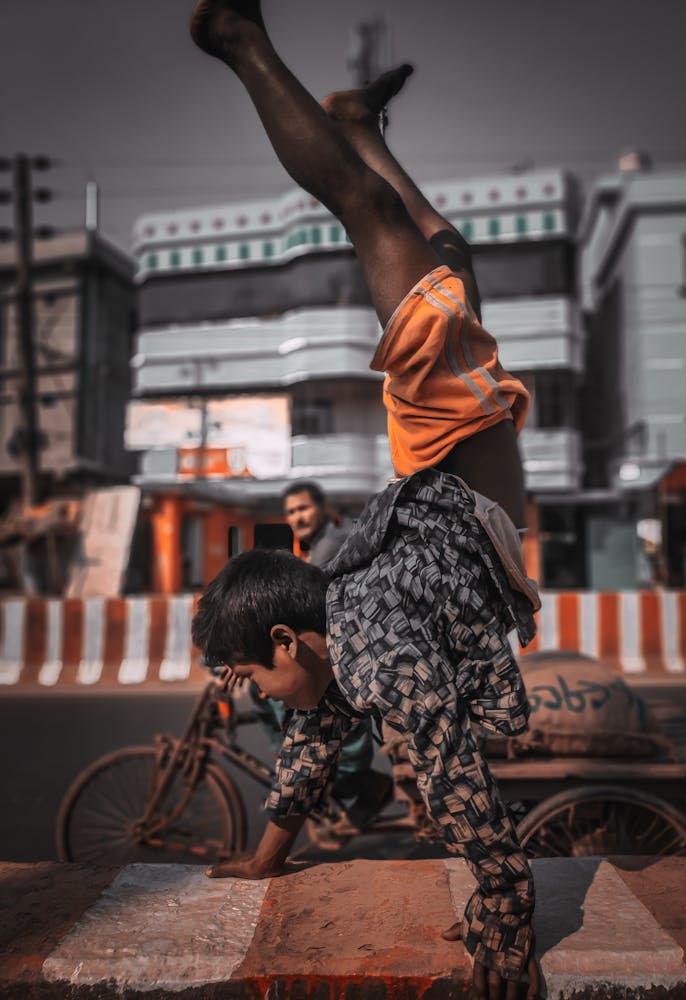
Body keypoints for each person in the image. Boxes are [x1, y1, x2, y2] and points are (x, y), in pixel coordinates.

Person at [189, 3, 541, 996]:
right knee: (450, 266)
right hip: (459, 495)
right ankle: (357, 128)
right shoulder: (329, 647)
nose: (261, 700)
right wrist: (265, 857)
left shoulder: (369, 647)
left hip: (454, 477)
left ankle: (239, 41)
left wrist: (507, 919)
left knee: (377, 221)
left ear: (289, 646)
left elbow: (458, 781)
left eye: (253, 679)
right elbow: (307, 750)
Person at [248, 480, 392, 832]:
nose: (298, 516)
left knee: (304, 698)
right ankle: (324, 770)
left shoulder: (329, 544)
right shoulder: (315, 549)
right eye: (292, 511)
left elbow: (294, 604)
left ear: (323, 510)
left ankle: (351, 777)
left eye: (304, 508)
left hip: (364, 651)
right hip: (355, 644)